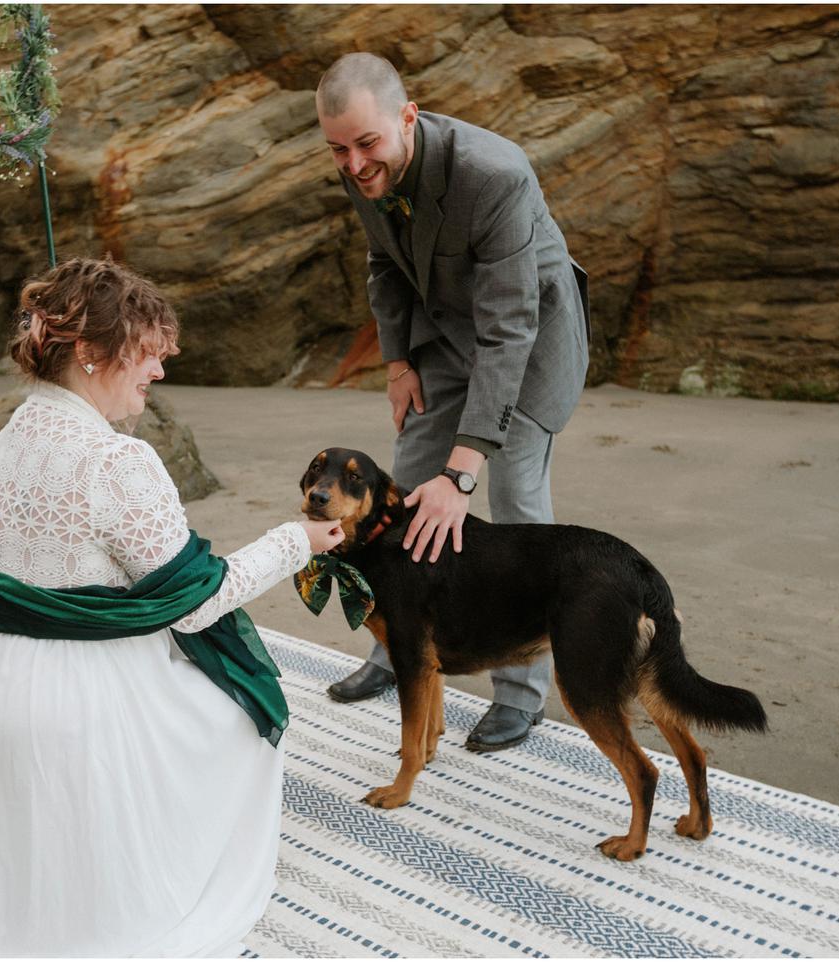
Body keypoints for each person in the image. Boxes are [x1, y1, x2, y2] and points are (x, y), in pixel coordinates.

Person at [0, 257, 344, 957]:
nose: (158, 372)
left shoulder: (16, 431)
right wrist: (294, 541)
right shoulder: (118, 462)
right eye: (148, 355)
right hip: (65, 702)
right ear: (91, 354)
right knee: (235, 723)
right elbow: (195, 602)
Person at [315, 53, 590, 752]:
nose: (353, 164)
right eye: (338, 149)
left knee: (517, 498)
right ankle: (393, 650)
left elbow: (508, 334)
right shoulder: (361, 165)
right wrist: (399, 361)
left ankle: (522, 696)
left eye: (366, 143)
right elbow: (384, 262)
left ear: (408, 117)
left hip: (526, 347)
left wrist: (463, 474)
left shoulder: (494, 175)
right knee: (401, 485)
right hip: (440, 337)